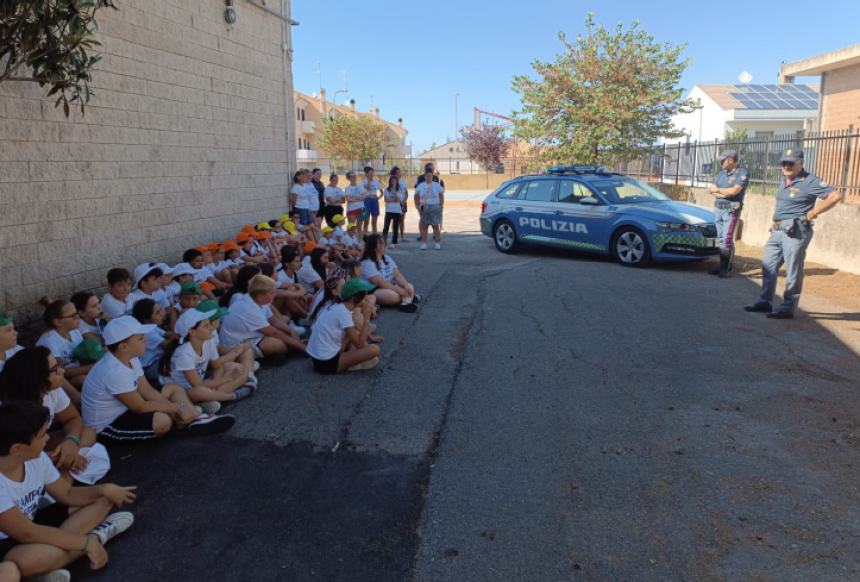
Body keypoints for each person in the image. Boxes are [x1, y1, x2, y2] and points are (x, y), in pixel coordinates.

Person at [0, 401, 136, 581]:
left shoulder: (36, 458)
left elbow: (67, 494)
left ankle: (47, 568)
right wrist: (86, 543)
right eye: (42, 436)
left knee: (102, 499)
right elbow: (27, 533)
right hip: (10, 544)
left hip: (33, 524)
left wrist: (103, 488)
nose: (48, 439)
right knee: (20, 565)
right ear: (17, 449)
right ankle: (95, 537)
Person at [81, 316, 235, 442]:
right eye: (141, 339)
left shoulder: (130, 357)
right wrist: (175, 408)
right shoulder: (113, 371)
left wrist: (174, 407)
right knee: (163, 421)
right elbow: (139, 407)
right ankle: (189, 418)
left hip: (127, 408)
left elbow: (146, 390)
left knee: (174, 388)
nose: (146, 341)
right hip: (109, 424)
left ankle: (193, 418)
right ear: (123, 347)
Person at [744, 148, 842, 319]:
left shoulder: (810, 181)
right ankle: (765, 301)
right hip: (777, 231)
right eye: (784, 163)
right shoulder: (784, 180)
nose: (786, 166)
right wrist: (775, 221)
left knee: (793, 271)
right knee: (768, 265)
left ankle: (787, 308)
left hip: (796, 232)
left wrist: (813, 213)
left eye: (791, 163)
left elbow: (834, 196)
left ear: (801, 163)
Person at [0, 348, 110, 487]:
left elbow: (73, 419)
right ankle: (63, 485)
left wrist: (71, 444)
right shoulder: (8, 409)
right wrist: (49, 456)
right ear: (38, 378)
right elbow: (8, 455)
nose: (62, 370)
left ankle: (66, 474)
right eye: (55, 368)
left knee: (89, 431)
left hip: (39, 444)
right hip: (16, 456)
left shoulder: (51, 390)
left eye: (59, 364)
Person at [159, 309, 253, 410]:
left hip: (203, 382)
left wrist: (215, 384)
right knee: (199, 391)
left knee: (237, 367)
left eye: (209, 324)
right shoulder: (184, 354)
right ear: (192, 332)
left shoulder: (208, 341)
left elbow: (217, 366)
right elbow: (198, 385)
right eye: (206, 326)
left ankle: (210, 399)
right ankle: (232, 396)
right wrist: (229, 378)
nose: (211, 329)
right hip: (183, 391)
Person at [219, 275, 307, 360]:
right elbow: (273, 333)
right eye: (272, 292)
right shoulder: (249, 308)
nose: (275, 294)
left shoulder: (256, 299)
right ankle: (288, 351)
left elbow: (273, 320)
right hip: (235, 345)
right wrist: (300, 346)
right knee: (277, 344)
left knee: (287, 334)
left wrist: (291, 331)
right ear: (260, 296)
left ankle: (287, 350)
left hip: (249, 336)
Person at [307, 278, 381, 374]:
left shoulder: (338, 306)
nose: (367, 299)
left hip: (319, 358)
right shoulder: (343, 313)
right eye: (365, 296)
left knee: (356, 334)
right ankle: (351, 364)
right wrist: (366, 319)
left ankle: (355, 359)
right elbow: (359, 344)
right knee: (374, 350)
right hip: (326, 363)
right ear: (354, 299)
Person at [36, 300, 91, 398]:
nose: (78, 317)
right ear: (58, 322)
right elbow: (60, 372)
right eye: (73, 315)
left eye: (77, 314)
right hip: (61, 381)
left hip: (78, 371)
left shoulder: (75, 332)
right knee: (84, 379)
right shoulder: (50, 341)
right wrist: (90, 367)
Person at [708, 150, 749, 278]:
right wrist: (722, 192)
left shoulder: (741, 173)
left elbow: (734, 191)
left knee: (726, 238)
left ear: (731, 160)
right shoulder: (721, 173)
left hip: (731, 210)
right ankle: (722, 266)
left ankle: (726, 269)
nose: (721, 162)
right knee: (720, 238)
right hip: (719, 209)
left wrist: (719, 190)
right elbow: (711, 189)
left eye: (723, 160)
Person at [361, 234, 419, 313]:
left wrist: (405, 285)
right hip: (374, 290)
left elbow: (397, 275)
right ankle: (408, 298)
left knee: (410, 286)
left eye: (383, 242)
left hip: (389, 286)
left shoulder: (387, 258)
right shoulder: (367, 263)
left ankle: (405, 302)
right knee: (395, 297)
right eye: (381, 243)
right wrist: (399, 290)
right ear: (374, 247)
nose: (384, 244)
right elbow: (380, 283)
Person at [130, 299, 176, 386]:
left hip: (159, 359)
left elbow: (167, 334)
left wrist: (179, 333)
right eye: (157, 313)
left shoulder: (151, 326)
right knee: (179, 360)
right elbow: (168, 345)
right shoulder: (147, 332)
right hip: (151, 367)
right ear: (147, 319)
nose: (162, 314)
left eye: (160, 310)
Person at [414, 170, 445, 250]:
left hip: (435, 207)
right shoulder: (421, 185)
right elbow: (416, 195)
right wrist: (417, 205)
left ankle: (437, 243)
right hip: (424, 207)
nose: (428, 177)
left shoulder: (437, 185)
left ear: (432, 177)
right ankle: (424, 243)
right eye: (427, 176)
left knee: (435, 226)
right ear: (425, 177)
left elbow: (441, 195)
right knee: (424, 226)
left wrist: (441, 205)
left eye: (430, 176)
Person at [382, 175, 405, 247]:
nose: (393, 182)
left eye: (395, 181)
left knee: (395, 227)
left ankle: (394, 242)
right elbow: (386, 200)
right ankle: (384, 241)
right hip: (389, 210)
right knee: (386, 227)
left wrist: (395, 193)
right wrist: (394, 200)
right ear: (390, 181)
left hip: (397, 211)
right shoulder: (386, 190)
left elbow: (400, 200)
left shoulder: (400, 190)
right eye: (392, 181)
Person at [361, 166, 383, 235]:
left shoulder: (376, 182)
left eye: (372, 173)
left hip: (374, 202)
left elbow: (382, 192)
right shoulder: (363, 182)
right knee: (366, 221)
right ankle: (365, 236)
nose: (371, 174)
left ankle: (374, 236)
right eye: (370, 173)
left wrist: (377, 198)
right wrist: (369, 180)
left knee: (374, 222)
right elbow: (368, 187)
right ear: (366, 174)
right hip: (366, 201)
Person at [391, 167, 409, 241]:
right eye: (397, 172)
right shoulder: (391, 182)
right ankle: (395, 236)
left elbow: (406, 193)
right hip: (395, 203)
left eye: (399, 172)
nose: (399, 173)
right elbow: (390, 192)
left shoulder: (403, 182)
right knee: (395, 220)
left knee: (402, 219)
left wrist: (404, 201)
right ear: (394, 173)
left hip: (403, 203)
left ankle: (402, 236)